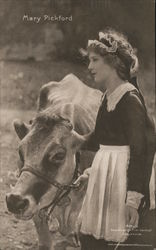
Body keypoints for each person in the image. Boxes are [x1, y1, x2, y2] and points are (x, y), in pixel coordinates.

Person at [74, 28, 155, 250]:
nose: (89, 67)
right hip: (105, 176)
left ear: (113, 62)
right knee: (92, 239)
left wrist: (132, 201)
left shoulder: (129, 99)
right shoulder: (107, 96)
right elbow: (100, 139)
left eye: (94, 60)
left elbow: (141, 151)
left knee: (117, 241)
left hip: (123, 179)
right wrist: (73, 140)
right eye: (89, 60)